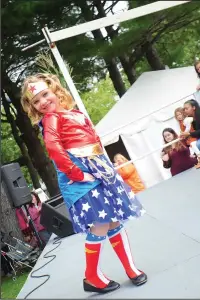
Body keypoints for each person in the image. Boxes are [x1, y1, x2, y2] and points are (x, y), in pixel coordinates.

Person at [21, 73, 147, 294]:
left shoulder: (74, 113)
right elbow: (54, 150)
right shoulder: (51, 119)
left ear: (55, 90)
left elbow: (95, 140)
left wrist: (106, 171)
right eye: (36, 101)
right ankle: (92, 276)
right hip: (81, 177)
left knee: (113, 220)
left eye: (45, 94)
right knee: (100, 223)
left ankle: (130, 269)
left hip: (97, 171)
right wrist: (79, 175)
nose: (42, 102)